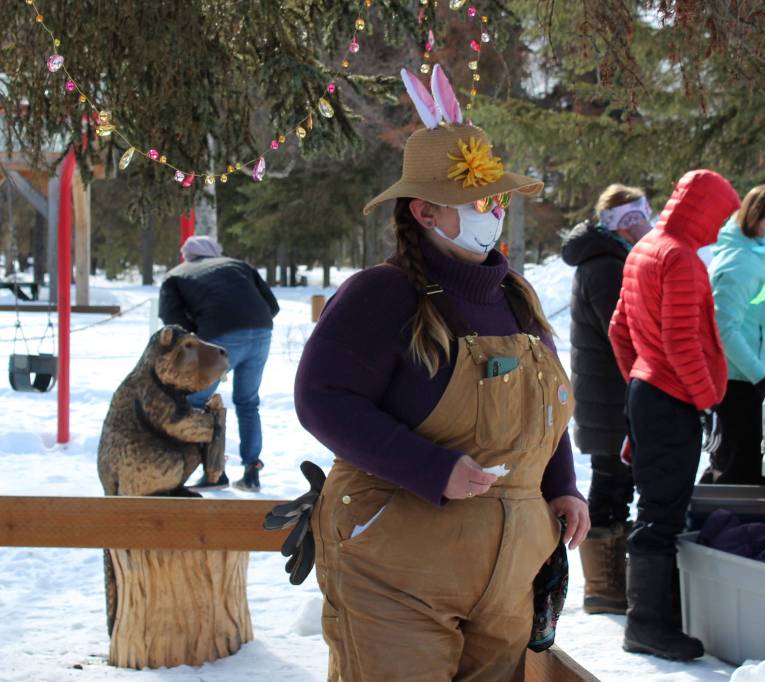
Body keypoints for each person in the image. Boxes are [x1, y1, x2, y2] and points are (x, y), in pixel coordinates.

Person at [293, 66, 588, 682]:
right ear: (425, 211)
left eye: (499, 199)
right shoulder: (382, 295)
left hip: (507, 575)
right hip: (395, 571)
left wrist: (562, 484)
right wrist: (431, 468)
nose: (495, 213)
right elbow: (323, 399)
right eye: (481, 200)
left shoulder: (516, 297)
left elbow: (540, 415)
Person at [609, 169, 740, 661]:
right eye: (720, 217)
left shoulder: (643, 249)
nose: (719, 228)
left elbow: (619, 330)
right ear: (702, 210)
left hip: (650, 394)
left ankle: (655, 619)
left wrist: (638, 383)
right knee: (661, 514)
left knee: (656, 508)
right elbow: (681, 342)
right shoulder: (680, 258)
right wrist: (707, 401)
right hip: (673, 399)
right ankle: (648, 625)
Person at [560, 183, 651, 615]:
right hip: (610, 398)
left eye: (642, 216)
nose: (642, 226)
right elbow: (628, 332)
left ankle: (610, 581)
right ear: (613, 225)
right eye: (631, 220)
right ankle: (602, 585)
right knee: (611, 486)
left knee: (617, 484)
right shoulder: (606, 266)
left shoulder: (613, 260)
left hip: (611, 395)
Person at [158, 235, 278, 491]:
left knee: (195, 403)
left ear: (186, 255)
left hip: (219, 338)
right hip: (261, 332)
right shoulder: (238, 265)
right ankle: (251, 471)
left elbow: (172, 320)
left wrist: (199, 338)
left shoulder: (176, 275)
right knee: (248, 402)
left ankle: (212, 473)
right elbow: (272, 305)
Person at [707, 183, 765, 485]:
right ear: (754, 219)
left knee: (755, 468)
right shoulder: (738, 262)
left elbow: (748, 318)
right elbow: (724, 327)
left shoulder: (753, 257)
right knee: (743, 473)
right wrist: (761, 376)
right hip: (741, 384)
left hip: (753, 379)